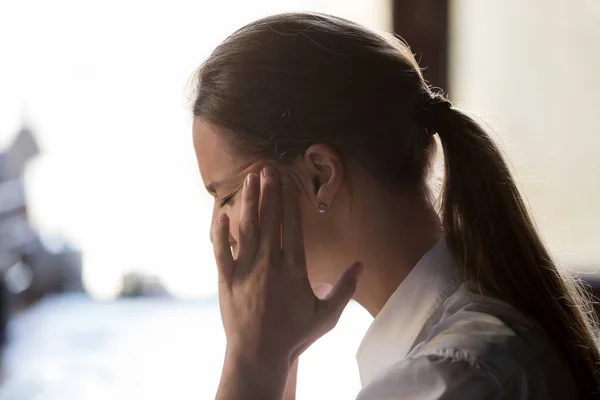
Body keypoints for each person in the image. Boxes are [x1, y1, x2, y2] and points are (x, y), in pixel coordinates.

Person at [191, 12, 600, 400]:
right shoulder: (468, 348)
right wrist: (279, 353)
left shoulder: (451, 377)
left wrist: (251, 363)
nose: (219, 228)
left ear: (320, 176)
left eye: (225, 196)